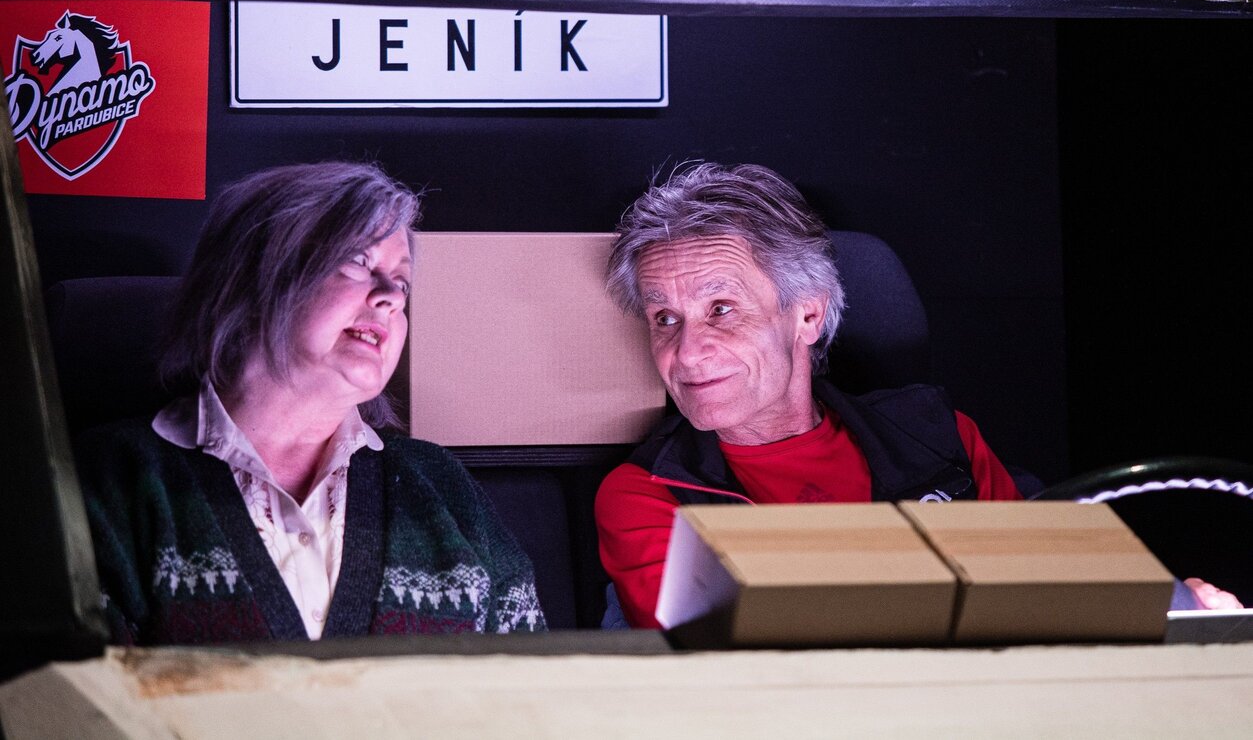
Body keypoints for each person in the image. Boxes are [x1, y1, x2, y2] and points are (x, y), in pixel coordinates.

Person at [72, 161, 546, 644]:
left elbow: (537, 682)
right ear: (254, 275)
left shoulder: (442, 486)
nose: (390, 297)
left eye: (401, 282)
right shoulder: (110, 484)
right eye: (357, 262)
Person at [594, 162, 1031, 630]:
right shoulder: (647, 496)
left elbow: (1031, 602)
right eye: (664, 318)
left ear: (808, 316)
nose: (686, 353)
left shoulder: (941, 437)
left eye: (721, 309)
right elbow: (720, 658)